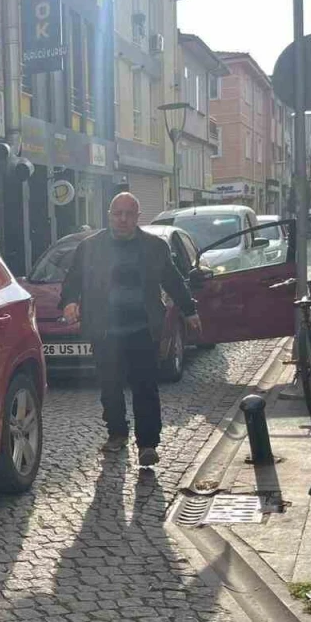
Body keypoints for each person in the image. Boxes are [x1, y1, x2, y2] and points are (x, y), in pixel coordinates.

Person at [59, 192, 202, 467]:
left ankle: (147, 444)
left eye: (128, 214)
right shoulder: (90, 247)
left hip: (143, 329)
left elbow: (172, 280)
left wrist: (189, 310)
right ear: (109, 215)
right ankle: (117, 433)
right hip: (105, 330)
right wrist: (69, 302)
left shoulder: (154, 246)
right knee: (110, 386)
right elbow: (73, 280)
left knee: (145, 386)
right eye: (117, 213)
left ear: (137, 217)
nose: (122, 219)